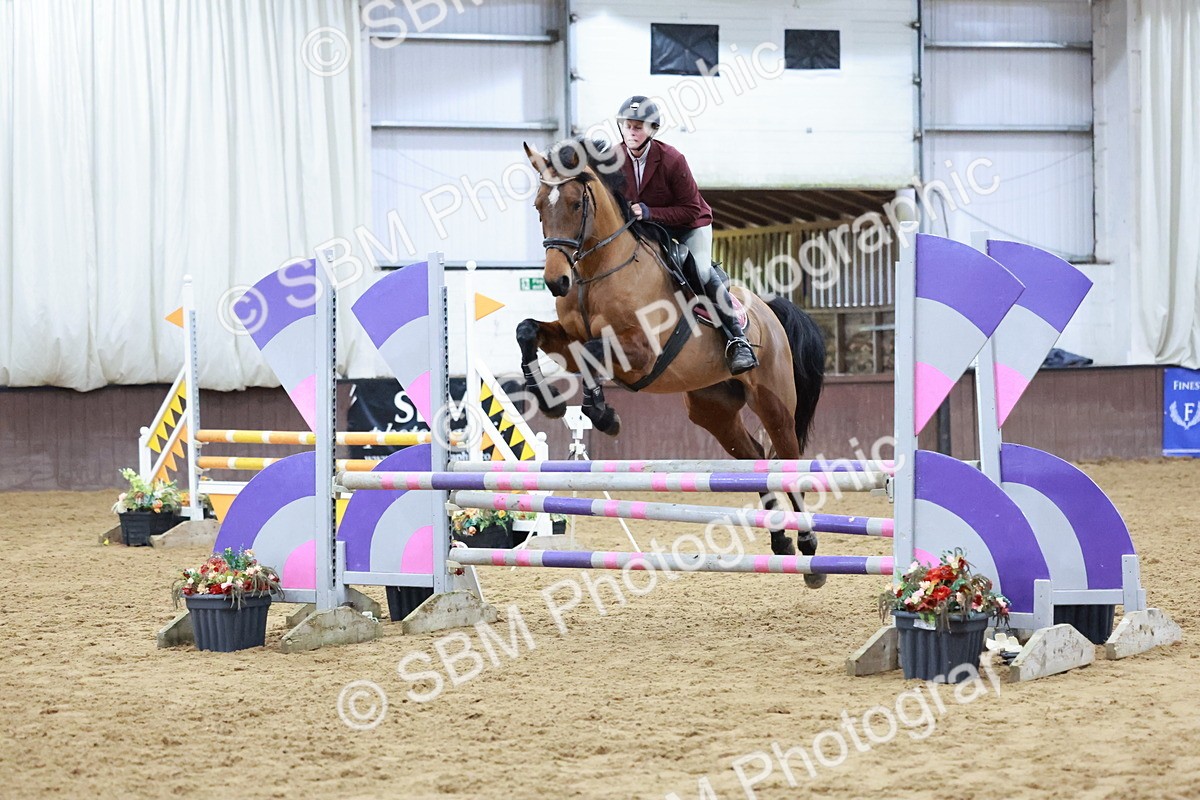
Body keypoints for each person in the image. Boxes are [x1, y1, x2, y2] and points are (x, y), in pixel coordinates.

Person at [614, 95, 757, 375]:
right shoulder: (612, 159)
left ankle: (738, 340)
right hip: (648, 227)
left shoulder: (672, 160)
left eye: (638, 127)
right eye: (627, 126)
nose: (632, 131)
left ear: (652, 130)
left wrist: (650, 212)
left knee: (701, 272)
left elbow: (691, 209)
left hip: (689, 225)